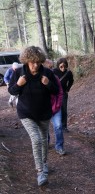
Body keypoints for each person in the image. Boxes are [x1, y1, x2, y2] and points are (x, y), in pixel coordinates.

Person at [8, 46, 59, 186]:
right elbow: (12, 91)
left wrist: (48, 84)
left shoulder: (47, 73)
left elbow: (56, 91)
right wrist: (18, 84)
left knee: (43, 140)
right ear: (26, 61)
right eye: (32, 62)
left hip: (44, 113)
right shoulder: (19, 72)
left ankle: (44, 163)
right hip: (26, 113)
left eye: (38, 62)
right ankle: (40, 172)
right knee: (36, 139)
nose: (36, 65)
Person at [44, 60, 66, 155]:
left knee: (58, 126)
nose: (51, 70)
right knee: (44, 128)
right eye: (48, 68)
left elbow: (60, 92)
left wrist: (57, 105)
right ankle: (46, 144)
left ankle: (59, 146)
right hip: (44, 108)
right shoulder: (38, 79)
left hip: (56, 108)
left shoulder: (55, 78)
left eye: (51, 67)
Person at [53, 58, 74, 132]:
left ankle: (64, 126)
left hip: (64, 93)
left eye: (64, 66)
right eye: (61, 66)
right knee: (55, 109)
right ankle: (57, 124)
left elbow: (71, 81)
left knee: (64, 109)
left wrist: (68, 89)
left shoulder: (68, 73)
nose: (63, 68)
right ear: (58, 65)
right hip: (55, 93)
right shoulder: (54, 71)